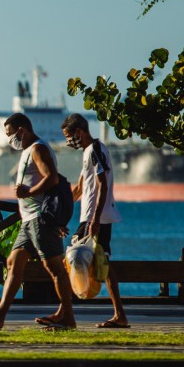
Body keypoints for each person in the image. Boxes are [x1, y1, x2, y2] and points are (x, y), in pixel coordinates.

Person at [0, 113, 76, 331]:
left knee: (54, 267)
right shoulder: (29, 150)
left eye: (10, 134)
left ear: (22, 130)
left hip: (39, 219)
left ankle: (68, 317)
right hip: (28, 221)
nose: (9, 139)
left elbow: (52, 178)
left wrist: (28, 191)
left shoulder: (38, 148)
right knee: (13, 262)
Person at [61, 113, 129, 329]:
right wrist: (59, 213)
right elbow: (80, 189)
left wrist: (96, 219)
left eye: (69, 136)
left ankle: (65, 314)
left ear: (78, 132)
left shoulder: (95, 150)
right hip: (91, 216)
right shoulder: (88, 153)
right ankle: (119, 314)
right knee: (103, 265)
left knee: (70, 260)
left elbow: (103, 185)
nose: (68, 141)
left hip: (94, 217)